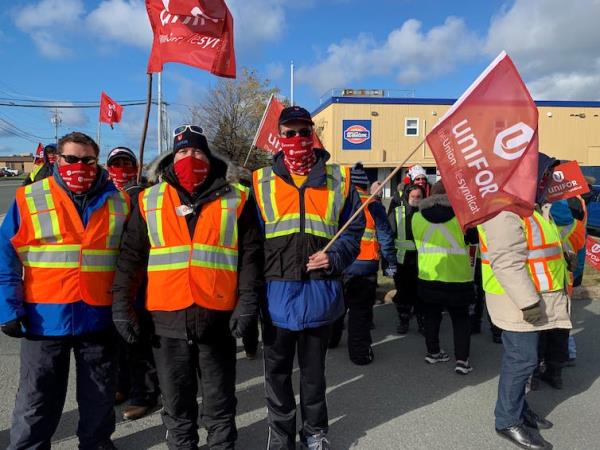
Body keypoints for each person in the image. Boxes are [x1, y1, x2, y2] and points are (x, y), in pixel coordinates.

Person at [112, 125, 263, 449]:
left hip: (218, 320)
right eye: (182, 151)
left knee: (220, 405)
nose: (189, 157)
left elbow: (251, 257)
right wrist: (121, 306)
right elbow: (131, 258)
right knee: (177, 406)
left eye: (196, 151)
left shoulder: (236, 198)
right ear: (172, 157)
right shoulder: (150, 200)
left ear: (207, 157)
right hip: (166, 324)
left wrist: (248, 301)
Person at [0, 132, 128, 450]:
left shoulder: (120, 201)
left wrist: (131, 313)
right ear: (57, 159)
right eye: (71, 159)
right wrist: (8, 309)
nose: (79, 166)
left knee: (99, 403)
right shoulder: (29, 198)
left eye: (87, 160)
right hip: (43, 320)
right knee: (36, 403)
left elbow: (132, 263)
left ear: (96, 161)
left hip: (99, 319)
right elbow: (5, 259)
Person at [252, 106, 364, 450]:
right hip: (276, 301)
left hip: (320, 297)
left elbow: (353, 231)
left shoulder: (339, 180)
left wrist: (334, 257)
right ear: (279, 137)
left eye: (304, 131)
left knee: (314, 378)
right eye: (289, 132)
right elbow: (249, 243)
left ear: (313, 134)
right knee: (278, 377)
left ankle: (315, 434)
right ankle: (281, 436)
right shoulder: (259, 183)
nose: (297, 139)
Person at [479, 153, 571, 450]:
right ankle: (507, 420)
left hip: (532, 298)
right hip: (517, 302)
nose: (548, 181)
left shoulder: (529, 206)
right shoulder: (504, 209)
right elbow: (507, 262)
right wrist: (528, 303)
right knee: (522, 361)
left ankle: (518, 410)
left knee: (523, 360)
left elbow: (537, 249)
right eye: (543, 175)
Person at [105, 146, 161, 420]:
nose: (122, 168)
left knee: (139, 340)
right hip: (113, 278)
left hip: (143, 278)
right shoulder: (104, 196)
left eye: (127, 162)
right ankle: (122, 386)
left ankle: (146, 394)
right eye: (116, 163)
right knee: (119, 339)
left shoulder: (145, 195)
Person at [329, 162, 397, 364]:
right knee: (360, 313)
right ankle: (359, 354)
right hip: (364, 264)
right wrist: (390, 263)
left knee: (337, 306)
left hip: (339, 263)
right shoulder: (373, 205)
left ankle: (331, 341)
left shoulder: (337, 202)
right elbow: (385, 237)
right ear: (365, 185)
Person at [411, 181, 476, 374]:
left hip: (428, 276)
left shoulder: (416, 218)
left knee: (431, 316)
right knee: (460, 320)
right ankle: (462, 361)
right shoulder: (463, 218)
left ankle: (433, 352)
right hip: (458, 278)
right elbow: (474, 240)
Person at [389, 184, 425, 334]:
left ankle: (422, 322)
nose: (416, 200)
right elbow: (388, 237)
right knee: (403, 293)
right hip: (401, 261)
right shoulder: (396, 213)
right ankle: (403, 320)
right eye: (413, 197)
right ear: (407, 197)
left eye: (419, 197)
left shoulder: (427, 214)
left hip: (422, 262)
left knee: (420, 294)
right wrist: (388, 263)